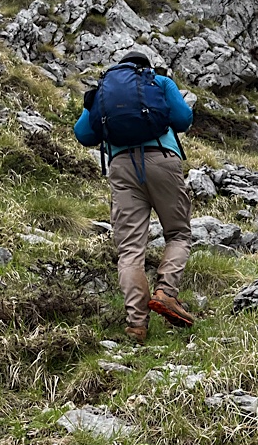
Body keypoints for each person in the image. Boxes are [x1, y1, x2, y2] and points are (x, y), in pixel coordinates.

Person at [74, 52, 196, 343]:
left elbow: (83, 134)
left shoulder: (102, 90)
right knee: (178, 233)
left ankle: (136, 326)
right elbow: (183, 119)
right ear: (145, 68)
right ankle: (166, 292)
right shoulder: (159, 81)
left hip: (121, 168)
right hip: (162, 159)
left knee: (130, 250)